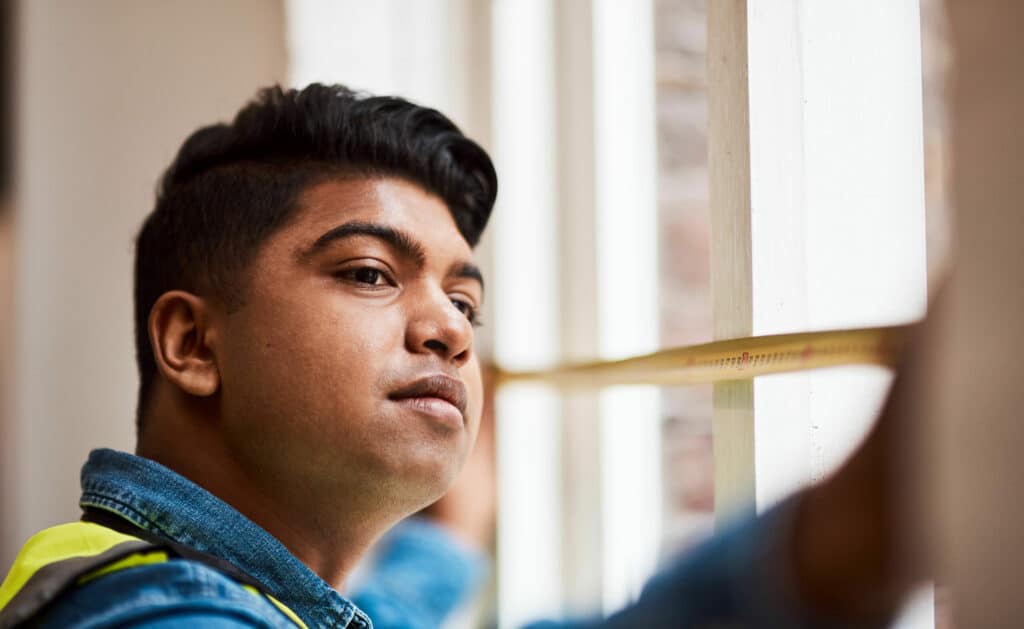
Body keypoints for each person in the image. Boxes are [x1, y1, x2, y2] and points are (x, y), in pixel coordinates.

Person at [0, 84, 927, 628]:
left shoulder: (193, 583)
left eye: (466, 301)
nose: (447, 328)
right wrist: (834, 545)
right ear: (192, 342)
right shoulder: (156, 615)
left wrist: (448, 542)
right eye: (370, 273)